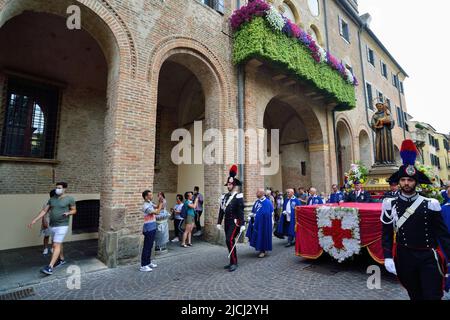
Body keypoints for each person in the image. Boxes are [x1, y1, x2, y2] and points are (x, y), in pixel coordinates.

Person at [381, 140, 450, 300]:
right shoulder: (389, 204)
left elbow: (443, 235)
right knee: (415, 295)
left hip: (428, 257)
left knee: (432, 295)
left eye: (410, 180)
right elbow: (386, 233)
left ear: (416, 182)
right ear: (398, 182)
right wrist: (388, 256)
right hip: (404, 257)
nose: (406, 183)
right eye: (403, 180)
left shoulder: (430, 204)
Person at [28, 182, 76, 275]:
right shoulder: (52, 199)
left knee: (55, 245)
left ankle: (50, 267)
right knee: (57, 243)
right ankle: (61, 259)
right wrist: (35, 220)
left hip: (62, 225)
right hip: (52, 225)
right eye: (56, 187)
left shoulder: (69, 199)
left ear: (64, 189)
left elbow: (74, 210)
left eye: (59, 188)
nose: (57, 189)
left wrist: (68, 213)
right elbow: (44, 210)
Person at [216, 165, 245, 272]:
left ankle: (234, 262)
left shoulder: (238, 196)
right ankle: (232, 261)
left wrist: (242, 224)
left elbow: (241, 211)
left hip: (235, 222)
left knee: (229, 239)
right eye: (227, 184)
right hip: (226, 222)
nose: (228, 186)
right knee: (228, 242)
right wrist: (219, 222)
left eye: (230, 184)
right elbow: (221, 210)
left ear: (234, 185)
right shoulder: (224, 197)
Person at [246, 188, 273, 258]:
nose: (256, 193)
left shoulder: (267, 202)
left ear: (262, 193)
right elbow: (254, 210)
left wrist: (255, 215)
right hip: (256, 222)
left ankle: (263, 251)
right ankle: (259, 248)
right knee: (258, 236)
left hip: (263, 224)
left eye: (257, 192)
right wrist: (251, 215)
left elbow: (266, 213)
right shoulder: (257, 202)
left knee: (262, 235)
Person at [371, 100, 395, 165]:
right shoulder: (375, 115)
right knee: (378, 145)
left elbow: (392, 121)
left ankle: (388, 160)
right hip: (379, 133)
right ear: (376, 107)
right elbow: (372, 124)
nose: (379, 107)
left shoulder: (387, 113)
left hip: (386, 132)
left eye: (380, 106)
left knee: (387, 145)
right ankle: (379, 161)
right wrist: (376, 126)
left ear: (382, 106)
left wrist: (387, 122)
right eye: (377, 106)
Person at [140, 190, 159, 272]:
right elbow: (157, 212)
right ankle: (143, 265)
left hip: (153, 227)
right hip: (148, 229)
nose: (152, 196)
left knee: (150, 246)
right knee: (147, 247)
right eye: (150, 195)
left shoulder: (150, 203)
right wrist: (161, 204)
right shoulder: (145, 206)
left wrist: (161, 201)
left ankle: (148, 262)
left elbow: (157, 206)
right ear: (146, 197)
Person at [40, 189, 56, 255]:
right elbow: (43, 213)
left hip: (55, 221)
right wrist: (44, 221)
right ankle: (45, 248)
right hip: (47, 221)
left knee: (54, 236)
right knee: (46, 236)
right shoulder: (47, 203)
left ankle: (52, 248)